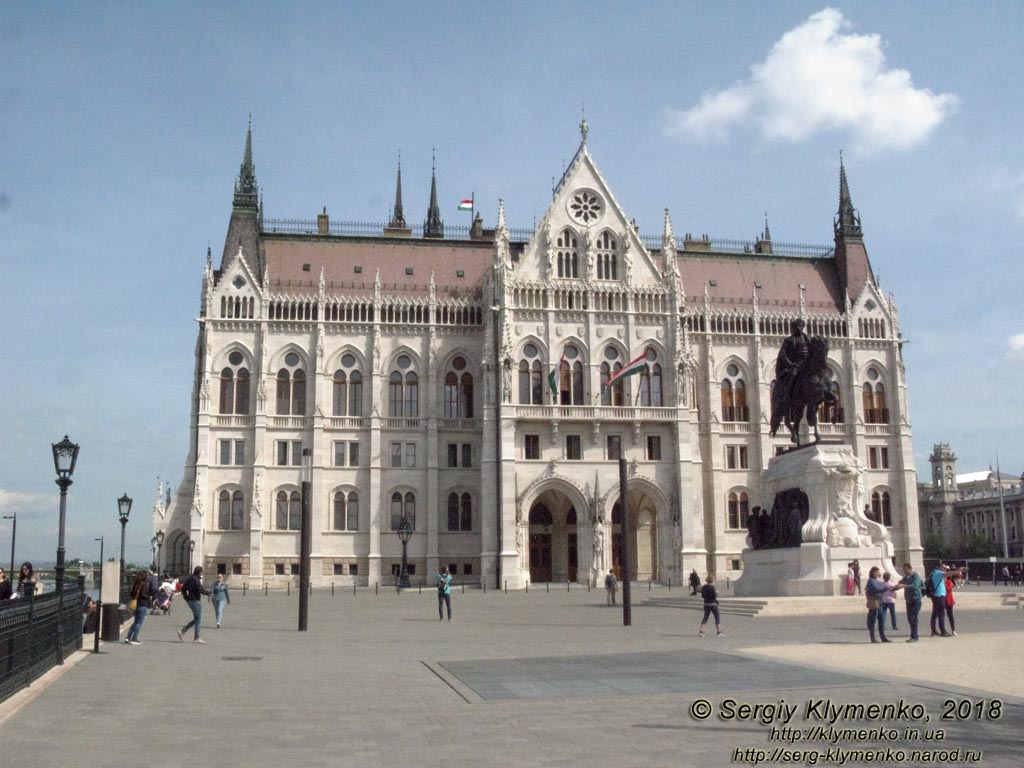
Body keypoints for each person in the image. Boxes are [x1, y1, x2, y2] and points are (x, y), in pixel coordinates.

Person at [177, 566, 212, 643]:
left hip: (190, 601)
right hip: (195, 600)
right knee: (198, 619)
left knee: (196, 618)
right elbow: (201, 590)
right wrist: (209, 592)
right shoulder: (196, 580)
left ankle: (182, 631)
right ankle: (196, 638)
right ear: (199, 572)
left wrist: (186, 598)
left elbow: (183, 588)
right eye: (201, 572)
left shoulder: (190, 578)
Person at [865, 566, 894, 643]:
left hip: (879, 602)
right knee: (873, 621)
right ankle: (873, 638)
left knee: (881, 620)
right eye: (877, 572)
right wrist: (887, 588)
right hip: (874, 603)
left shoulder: (876, 580)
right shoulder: (871, 581)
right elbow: (877, 589)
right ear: (873, 572)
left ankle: (883, 637)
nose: (879, 573)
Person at [124, 570, 151, 646]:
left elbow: (132, 593)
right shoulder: (145, 584)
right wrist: (149, 597)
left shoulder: (136, 584)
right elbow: (144, 595)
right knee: (139, 622)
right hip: (143, 604)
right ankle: (134, 638)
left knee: (135, 622)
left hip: (135, 604)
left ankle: (128, 637)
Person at [898, 562, 923, 642]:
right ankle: (913, 635)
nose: (904, 571)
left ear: (910, 569)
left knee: (913, 618)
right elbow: (900, 583)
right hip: (908, 600)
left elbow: (915, 586)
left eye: (905, 569)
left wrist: (904, 586)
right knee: (909, 618)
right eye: (903, 570)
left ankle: (915, 637)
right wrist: (893, 588)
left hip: (916, 600)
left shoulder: (916, 577)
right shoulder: (906, 577)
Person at [929, 563, 951, 637]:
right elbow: (949, 573)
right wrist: (959, 571)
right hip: (939, 596)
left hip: (936, 595)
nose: (945, 569)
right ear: (939, 567)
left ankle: (934, 630)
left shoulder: (934, 573)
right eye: (944, 567)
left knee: (935, 613)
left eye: (945, 568)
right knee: (941, 614)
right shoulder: (938, 573)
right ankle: (943, 631)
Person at [944, 567, 962, 638]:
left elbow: (949, 588)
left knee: (950, 615)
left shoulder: (949, 581)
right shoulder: (946, 580)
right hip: (945, 599)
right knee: (941, 615)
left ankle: (953, 630)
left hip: (949, 599)